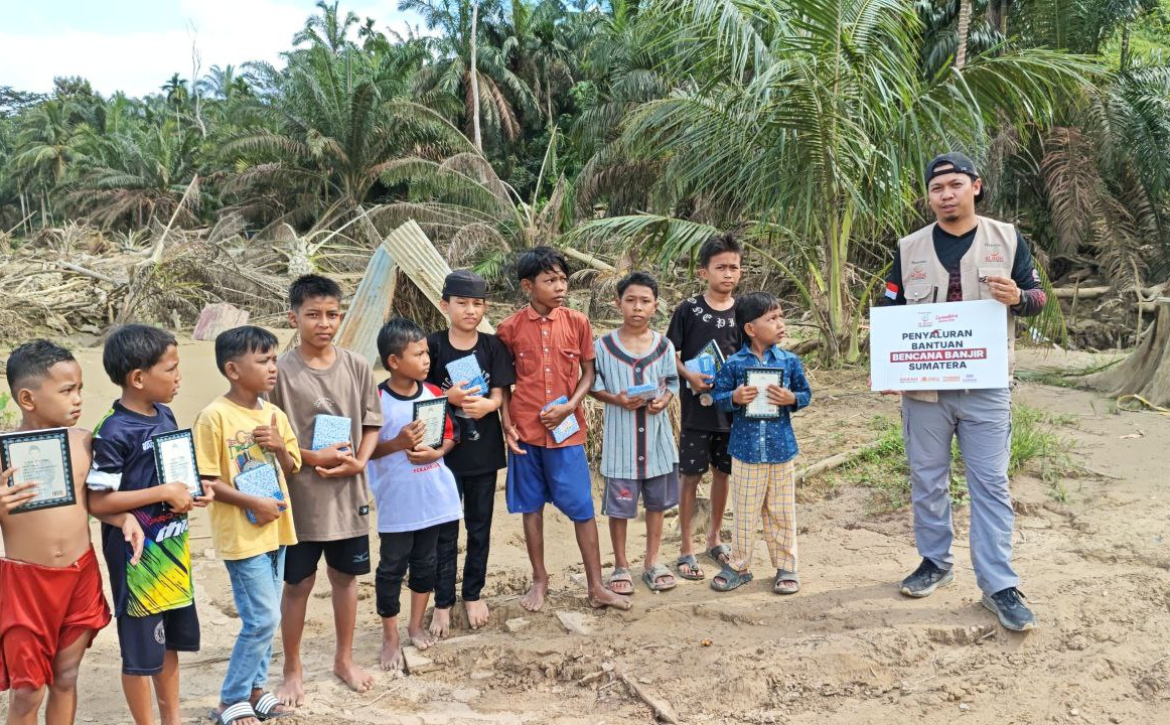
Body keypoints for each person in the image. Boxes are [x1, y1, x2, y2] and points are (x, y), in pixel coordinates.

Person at [881, 152, 1048, 632]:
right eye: (937, 188)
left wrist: (1018, 297)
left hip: (987, 388)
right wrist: (889, 364)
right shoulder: (910, 247)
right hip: (925, 390)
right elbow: (890, 307)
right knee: (927, 479)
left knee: (990, 485)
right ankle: (934, 562)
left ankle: (999, 586)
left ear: (975, 186)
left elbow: (1037, 297)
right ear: (929, 196)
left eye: (955, 184)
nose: (946, 195)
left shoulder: (1007, 239)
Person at [0, 340, 145, 725]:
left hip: (80, 574)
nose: (78, 399)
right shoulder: (3, 456)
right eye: (66, 391)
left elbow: (96, 501)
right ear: (27, 399)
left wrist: (124, 519)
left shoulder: (84, 443)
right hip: (26, 585)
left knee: (65, 676)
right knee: (27, 691)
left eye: (79, 388)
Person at [87, 325, 213, 725]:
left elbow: (172, 476)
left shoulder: (165, 414)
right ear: (138, 378)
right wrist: (163, 490)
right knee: (140, 654)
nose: (179, 377)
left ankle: (171, 718)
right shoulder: (112, 431)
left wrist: (191, 491)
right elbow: (98, 501)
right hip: (137, 559)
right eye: (170, 369)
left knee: (168, 642)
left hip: (172, 550)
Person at [267, 274, 382, 705]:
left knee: (346, 579)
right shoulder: (278, 372)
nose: (324, 323)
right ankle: (292, 668)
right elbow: (269, 438)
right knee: (297, 584)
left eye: (332, 314)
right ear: (293, 317)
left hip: (348, 496)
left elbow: (371, 424)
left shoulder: (357, 365)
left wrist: (361, 461)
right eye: (313, 314)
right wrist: (312, 458)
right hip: (300, 501)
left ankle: (344, 659)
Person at [496, 246, 631, 612]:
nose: (560, 287)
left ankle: (596, 586)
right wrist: (507, 423)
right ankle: (540, 580)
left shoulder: (577, 322)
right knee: (531, 507)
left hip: (567, 433)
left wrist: (570, 405)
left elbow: (588, 373)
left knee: (582, 507)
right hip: (525, 433)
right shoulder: (508, 329)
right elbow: (503, 384)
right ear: (528, 286)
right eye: (550, 280)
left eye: (562, 279)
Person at [193, 327, 300, 725]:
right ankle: (231, 699)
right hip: (242, 535)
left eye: (274, 359)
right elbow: (206, 480)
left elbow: (292, 467)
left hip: (277, 530)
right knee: (262, 618)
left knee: (269, 616)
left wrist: (278, 445)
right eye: (263, 360)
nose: (273, 368)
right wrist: (252, 502)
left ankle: (256, 690)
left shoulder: (274, 415)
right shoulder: (214, 417)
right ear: (233, 369)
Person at [367, 318, 463, 672]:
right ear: (394, 361)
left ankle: (414, 624)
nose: (427, 359)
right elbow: (365, 451)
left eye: (426, 353)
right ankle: (390, 635)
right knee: (391, 568)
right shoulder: (376, 401)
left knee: (426, 564)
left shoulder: (434, 393)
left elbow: (449, 435)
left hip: (434, 498)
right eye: (418, 354)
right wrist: (397, 443)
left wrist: (436, 453)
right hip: (397, 503)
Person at [424, 270, 515, 635]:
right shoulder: (432, 346)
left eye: (477, 303)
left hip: (483, 452)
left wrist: (490, 405)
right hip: (442, 455)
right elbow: (418, 393)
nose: (470, 310)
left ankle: (473, 593)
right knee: (443, 531)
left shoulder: (493, 346)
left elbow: (501, 391)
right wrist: (449, 397)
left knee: (480, 527)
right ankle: (442, 602)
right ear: (445, 305)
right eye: (461, 303)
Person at [710, 293, 811, 594]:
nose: (781, 324)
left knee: (782, 511)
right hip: (746, 452)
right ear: (751, 329)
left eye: (781, 317)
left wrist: (792, 399)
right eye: (772, 319)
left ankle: (786, 566)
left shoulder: (789, 362)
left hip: (781, 451)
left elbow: (805, 394)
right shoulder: (734, 364)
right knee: (744, 512)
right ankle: (739, 566)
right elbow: (718, 396)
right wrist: (734, 397)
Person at [589, 272, 681, 595]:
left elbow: (672, 382)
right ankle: (621, 564)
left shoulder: (664, 346)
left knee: (656, 504)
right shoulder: (603, 346)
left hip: (657, 443)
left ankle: (652, 562)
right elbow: (593, 385)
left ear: (655, 306)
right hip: (622, 446)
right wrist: (616, 399)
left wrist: (664, 401)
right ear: (618, 304)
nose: (637, 307)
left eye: (645, 301)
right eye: (631, 300)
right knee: (620, 507)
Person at [666, 233, 743, 580]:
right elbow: (669, 353)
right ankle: (686, 546)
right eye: (720, 267)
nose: (728, 274)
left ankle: (714, 538)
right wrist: (689, 377)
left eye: (734, 267)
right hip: (696, 410)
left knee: (723, 474)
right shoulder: (689, 310)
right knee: (691, 476)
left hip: (731, 412)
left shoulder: (744, 312)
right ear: (703, 272)